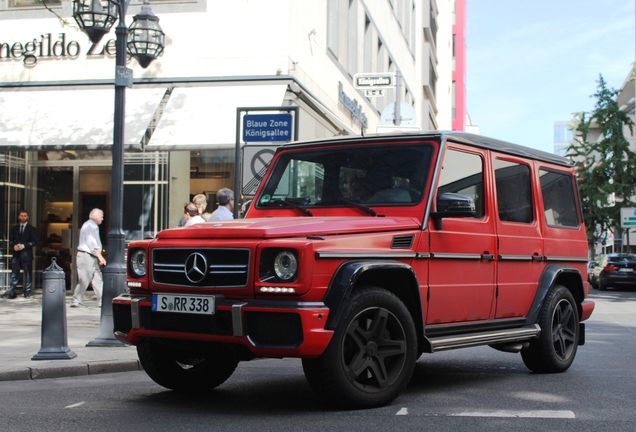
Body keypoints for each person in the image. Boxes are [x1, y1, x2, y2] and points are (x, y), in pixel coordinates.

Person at [70, 208, 106, 308]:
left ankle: (102, 301)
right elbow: (92, 244)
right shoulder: (90, 226)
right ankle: (76, 301)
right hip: (87, 256)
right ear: (94, 216)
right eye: (101, 216)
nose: (102, 219)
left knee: (97, 279)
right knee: (85, 279)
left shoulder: (91, 226)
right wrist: (100, 257)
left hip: (91, 256)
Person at [5, 210, 38, 299]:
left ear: (27, 217)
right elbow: (11, 241)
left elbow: (35, 242)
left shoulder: (32, 229)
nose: (23, 217)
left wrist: (24, 245)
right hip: (16, 254)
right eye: (21, 216)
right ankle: (12, 292)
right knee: (14, 274)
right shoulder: (14, 229)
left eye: (25, 216)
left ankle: (27, 292)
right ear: (19, 217)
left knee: (28, 274)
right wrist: (14, 246)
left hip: (26, 254)